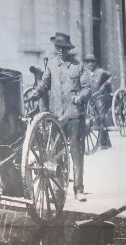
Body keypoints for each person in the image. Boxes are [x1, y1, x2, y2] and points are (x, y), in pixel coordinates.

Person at [42, 32, 90, 201]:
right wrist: (34, 93)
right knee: (56, 154)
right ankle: (58, 191)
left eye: (64, 48)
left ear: (69, 49)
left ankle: (78, 189)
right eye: (58, 47)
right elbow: (44, 84)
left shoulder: (78, 66)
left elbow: (87, 88)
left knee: (76, 153)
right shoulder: (51, 65)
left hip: (74, 116)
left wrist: (80, 97)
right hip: (56, 116)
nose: (61, 50)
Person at [82, 55, 113, 150]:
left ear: (95, 63)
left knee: (101, 118)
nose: (90, 64)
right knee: (95, 119)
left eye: (92, 62)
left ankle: (105, 142)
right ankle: (104, 141)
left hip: (100, 98)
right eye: (88, 62)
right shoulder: (85, 73)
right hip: (91, 99)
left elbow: (110, 76)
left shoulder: (101, 72)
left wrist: (105, 85)